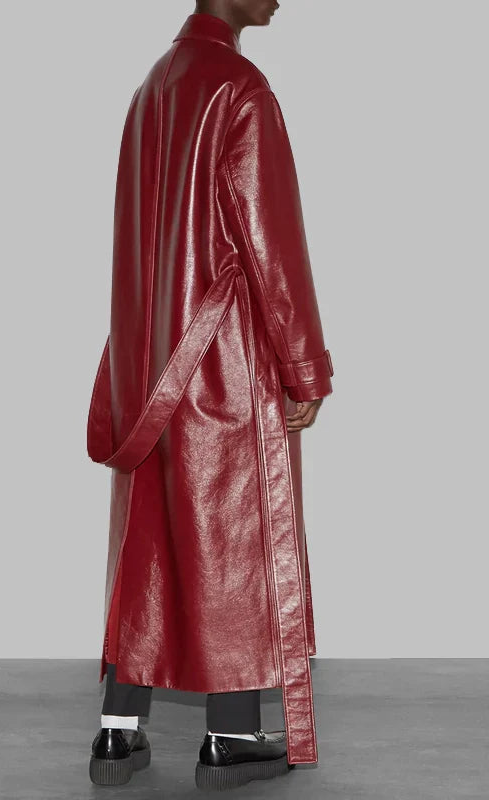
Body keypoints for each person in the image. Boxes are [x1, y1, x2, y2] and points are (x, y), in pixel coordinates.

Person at [86, 0, 334, 791]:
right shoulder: (240, 88)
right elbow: (271, 242)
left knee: (149, 547)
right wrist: (306, 366)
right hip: (220, 362)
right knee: (233, 544)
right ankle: (230, 738)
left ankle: (116, 735)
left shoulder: (151, 89)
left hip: (150, 361)